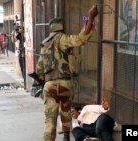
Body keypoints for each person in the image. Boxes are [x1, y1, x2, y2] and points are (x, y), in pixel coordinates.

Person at [35, 5, 98, 141]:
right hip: (65, 84)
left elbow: (39, 69)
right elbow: (82, 39)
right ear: (62, 27)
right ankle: (66, 137)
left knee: (49, 121)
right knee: (65, 112)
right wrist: (91, 16)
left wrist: (42, 83)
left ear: (51, 28)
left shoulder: (44, 44)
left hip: (49, 85)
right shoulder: (63, 39)